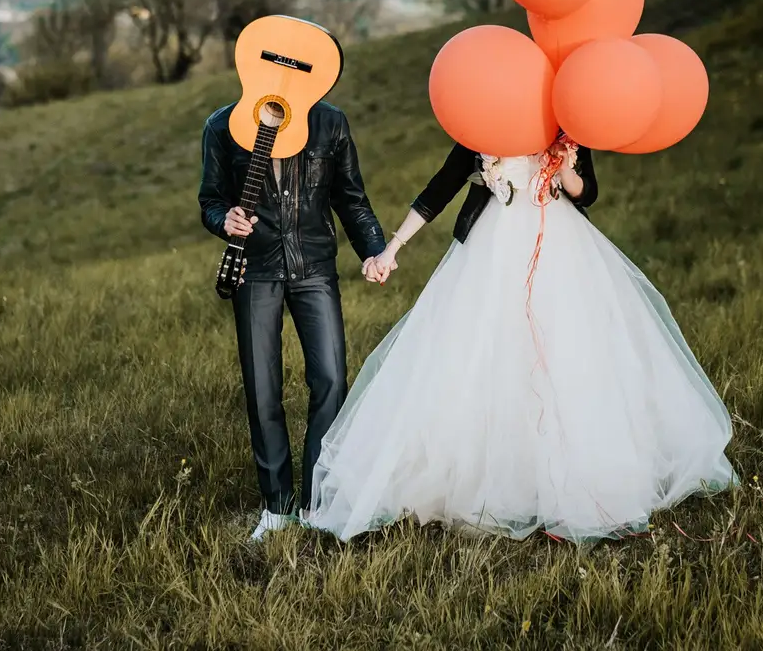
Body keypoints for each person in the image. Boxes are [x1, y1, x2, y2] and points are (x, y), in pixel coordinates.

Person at [305, 135, 737, 543]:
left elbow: (587, 191)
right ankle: (495, 479)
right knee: (486, 354)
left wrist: (566, 169)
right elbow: (442, 185)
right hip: (492, 249)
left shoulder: (566, 119)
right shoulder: (484, 117)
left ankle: (576, 479)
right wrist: (392, 247)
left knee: (567, 352)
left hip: (559, 244)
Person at [199, 100, 387, 542]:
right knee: (262, 389)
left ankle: (317, 502)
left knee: (330, 380)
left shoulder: (330, 122)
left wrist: (374, 250)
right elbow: (209, 199)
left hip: (315, 268)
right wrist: (222, 219)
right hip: (255, 270)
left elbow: (352, 199)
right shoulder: (223, 125)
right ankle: (278, 508)